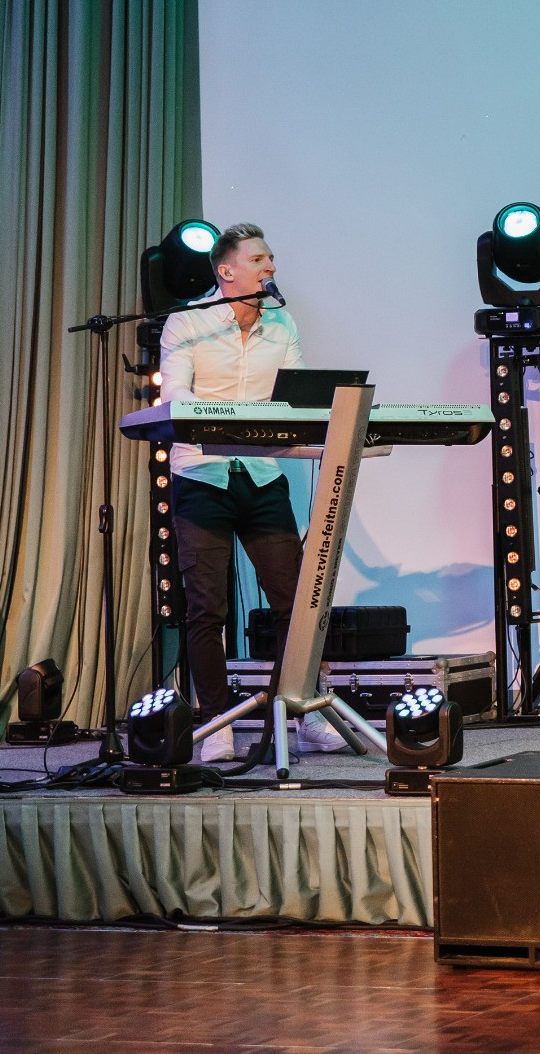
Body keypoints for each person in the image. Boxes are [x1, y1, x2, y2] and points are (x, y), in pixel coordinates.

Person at [159, 223, 343, 758]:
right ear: (226, 271)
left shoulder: (281, 323)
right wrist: (226, 419)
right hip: (201, 477)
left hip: (262, 475)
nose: (270, 267)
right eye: (259, 259)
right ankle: (216, 722)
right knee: (206, 608)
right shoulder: (187, 322)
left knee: (296, 604)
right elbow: (175, 394)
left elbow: (298, 395)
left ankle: (302, 709)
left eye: (270, 258)